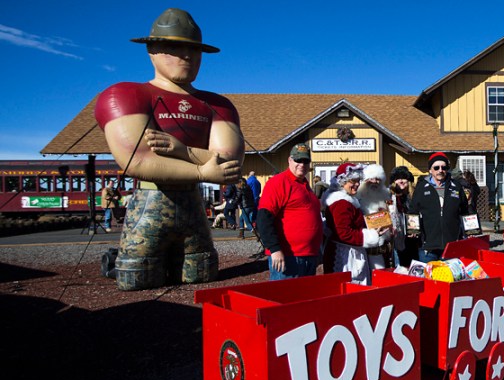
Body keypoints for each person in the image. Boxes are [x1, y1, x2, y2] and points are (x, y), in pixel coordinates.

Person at [94, 8, 243, 290]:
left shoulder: (218, 104)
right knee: (137, 280)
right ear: (152, 49)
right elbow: (137, 160)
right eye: (173, 48)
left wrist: (180, 150)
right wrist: (203, 169)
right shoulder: (126, 94)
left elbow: (230, 165)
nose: (186, 56)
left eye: (193, 50)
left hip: (193, 208)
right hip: (149, 205)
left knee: (201, 278)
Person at [257, 143, 323, 279]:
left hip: (308, 256)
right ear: (289, 160)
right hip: (288, 257)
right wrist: (275, 249)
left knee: (306, 299)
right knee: (284, 299)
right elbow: (263, 218)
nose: (302, 164)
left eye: (306, 161)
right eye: (298, 160)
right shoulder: (278, 183)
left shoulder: (305, 185)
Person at [322, 163, 389, 285]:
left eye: (358, 181)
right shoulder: (341, 202)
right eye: (353, 181)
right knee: (349, 288)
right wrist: (371, 235)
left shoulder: (349, 199)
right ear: (342, 182)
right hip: (345, 256)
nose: (357, 184)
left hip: (352, 252)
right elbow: (343, 233)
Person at [409, 152, 468, 263]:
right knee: (429, 279)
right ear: (430, 170)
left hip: (451, 245)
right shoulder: (421, 187)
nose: (440, 170)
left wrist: (471, 230)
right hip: (428, 246)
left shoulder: (456, 186)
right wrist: (412, 229)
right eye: (436, 168)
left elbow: (465, 211)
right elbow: (413, 211)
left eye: (443, 167)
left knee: (450, 278)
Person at [355, 164, 393, 269]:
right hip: (362, 243)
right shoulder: (358, 197)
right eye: (371, 179)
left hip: (381, 245)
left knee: (380, 272)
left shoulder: (385, 197)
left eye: (378, 179)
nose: (375, 182)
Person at [388, 166, 417, 267]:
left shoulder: (415, 195)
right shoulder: (390, 196)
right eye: (397, 178)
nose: (401, 181)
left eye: (404, 178)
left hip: (415, 238)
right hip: (398, 238)